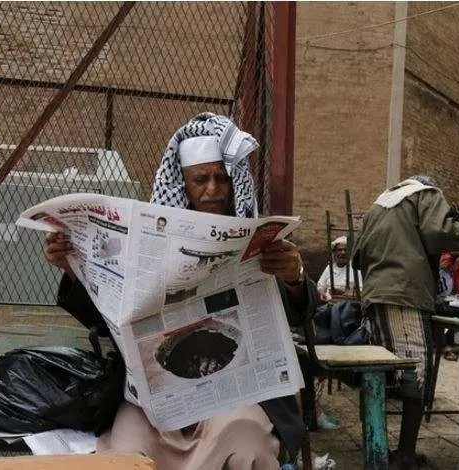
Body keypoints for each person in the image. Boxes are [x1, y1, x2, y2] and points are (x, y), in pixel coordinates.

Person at [44, 113, 316, 469]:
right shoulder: (143, 243)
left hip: (234, 395)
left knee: (247, 448)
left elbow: (298, 313)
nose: (213, 190)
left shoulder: (258, 240)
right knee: (127, 456)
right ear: (182, 184)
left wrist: (293, 277)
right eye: (200, 179)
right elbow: (108, 318)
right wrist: (72, 268)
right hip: (155, 401)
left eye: (222, 178)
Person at [353, 174, 459, 470]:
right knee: (417, 375)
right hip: (404, 295)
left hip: (376, 294)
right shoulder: (426, 194)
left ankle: (375, 449)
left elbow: (357, 254)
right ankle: (403, 456)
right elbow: (439, 233)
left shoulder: (381, 203)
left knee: (378, 375)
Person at [317, 235, 363, 301]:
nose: (343, 252)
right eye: (339, 250)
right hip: (329, 302)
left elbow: (361, 291)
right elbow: (320, 287)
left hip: (348, 304)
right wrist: (324, 294)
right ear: (334, 253)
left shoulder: (355, 268)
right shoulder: (330, 268)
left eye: (345, 250)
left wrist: (344, 293)